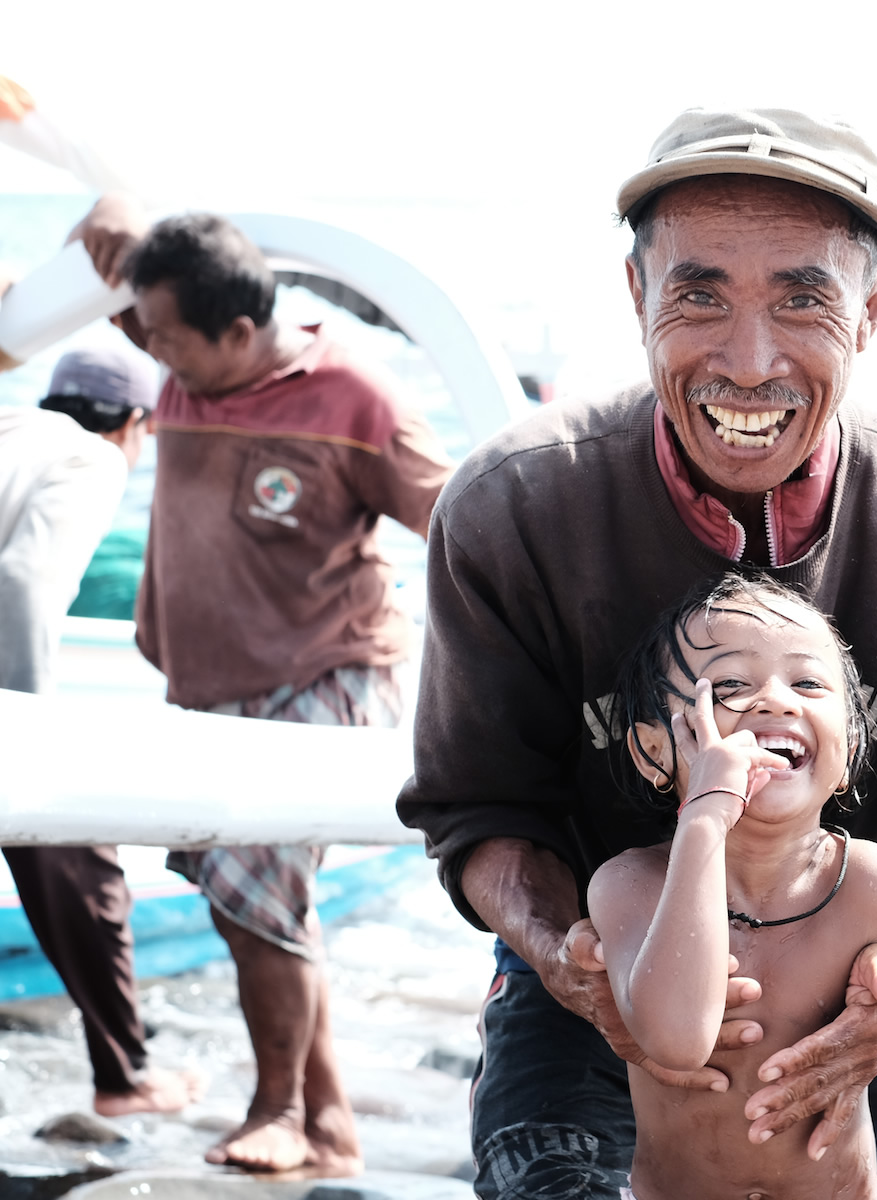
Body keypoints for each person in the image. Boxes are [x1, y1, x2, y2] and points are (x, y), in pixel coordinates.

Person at [395, 107, 877, 1200]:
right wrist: (574, 956)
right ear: (636, 300)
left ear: (874, 309)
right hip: (587, 992)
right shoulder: (514, 506)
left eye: (804, 299)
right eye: (698, 296)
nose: (748, 363)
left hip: (857, 1000)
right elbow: (479, 812)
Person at [118, 213, 453, 1174]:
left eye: (166, 335)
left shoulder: (354, 396)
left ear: (235, 332)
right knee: (249, 906)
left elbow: (471, 519)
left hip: (327, 675)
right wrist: (112, 214)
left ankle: (278, 1110)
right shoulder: (184, 362)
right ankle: (332, 1119)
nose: (149, 351)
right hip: (214, 684)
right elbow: (100, 275)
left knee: (257, 894)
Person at [592, 575, 877, 1200]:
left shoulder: (876, 886)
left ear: (851, 745)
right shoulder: (629, 885)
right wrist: (704, 816)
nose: (776, 701)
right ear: (653, 750)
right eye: (729, 686)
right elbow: (677, 1041)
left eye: (809, 683)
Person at [1, 345, 202, 1117]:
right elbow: (20, 580)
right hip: (11, 710)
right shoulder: (93, 458)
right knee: (83, 853)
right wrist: (30, 727)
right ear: (135, 424)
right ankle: (125, 1081)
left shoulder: (13, 427)